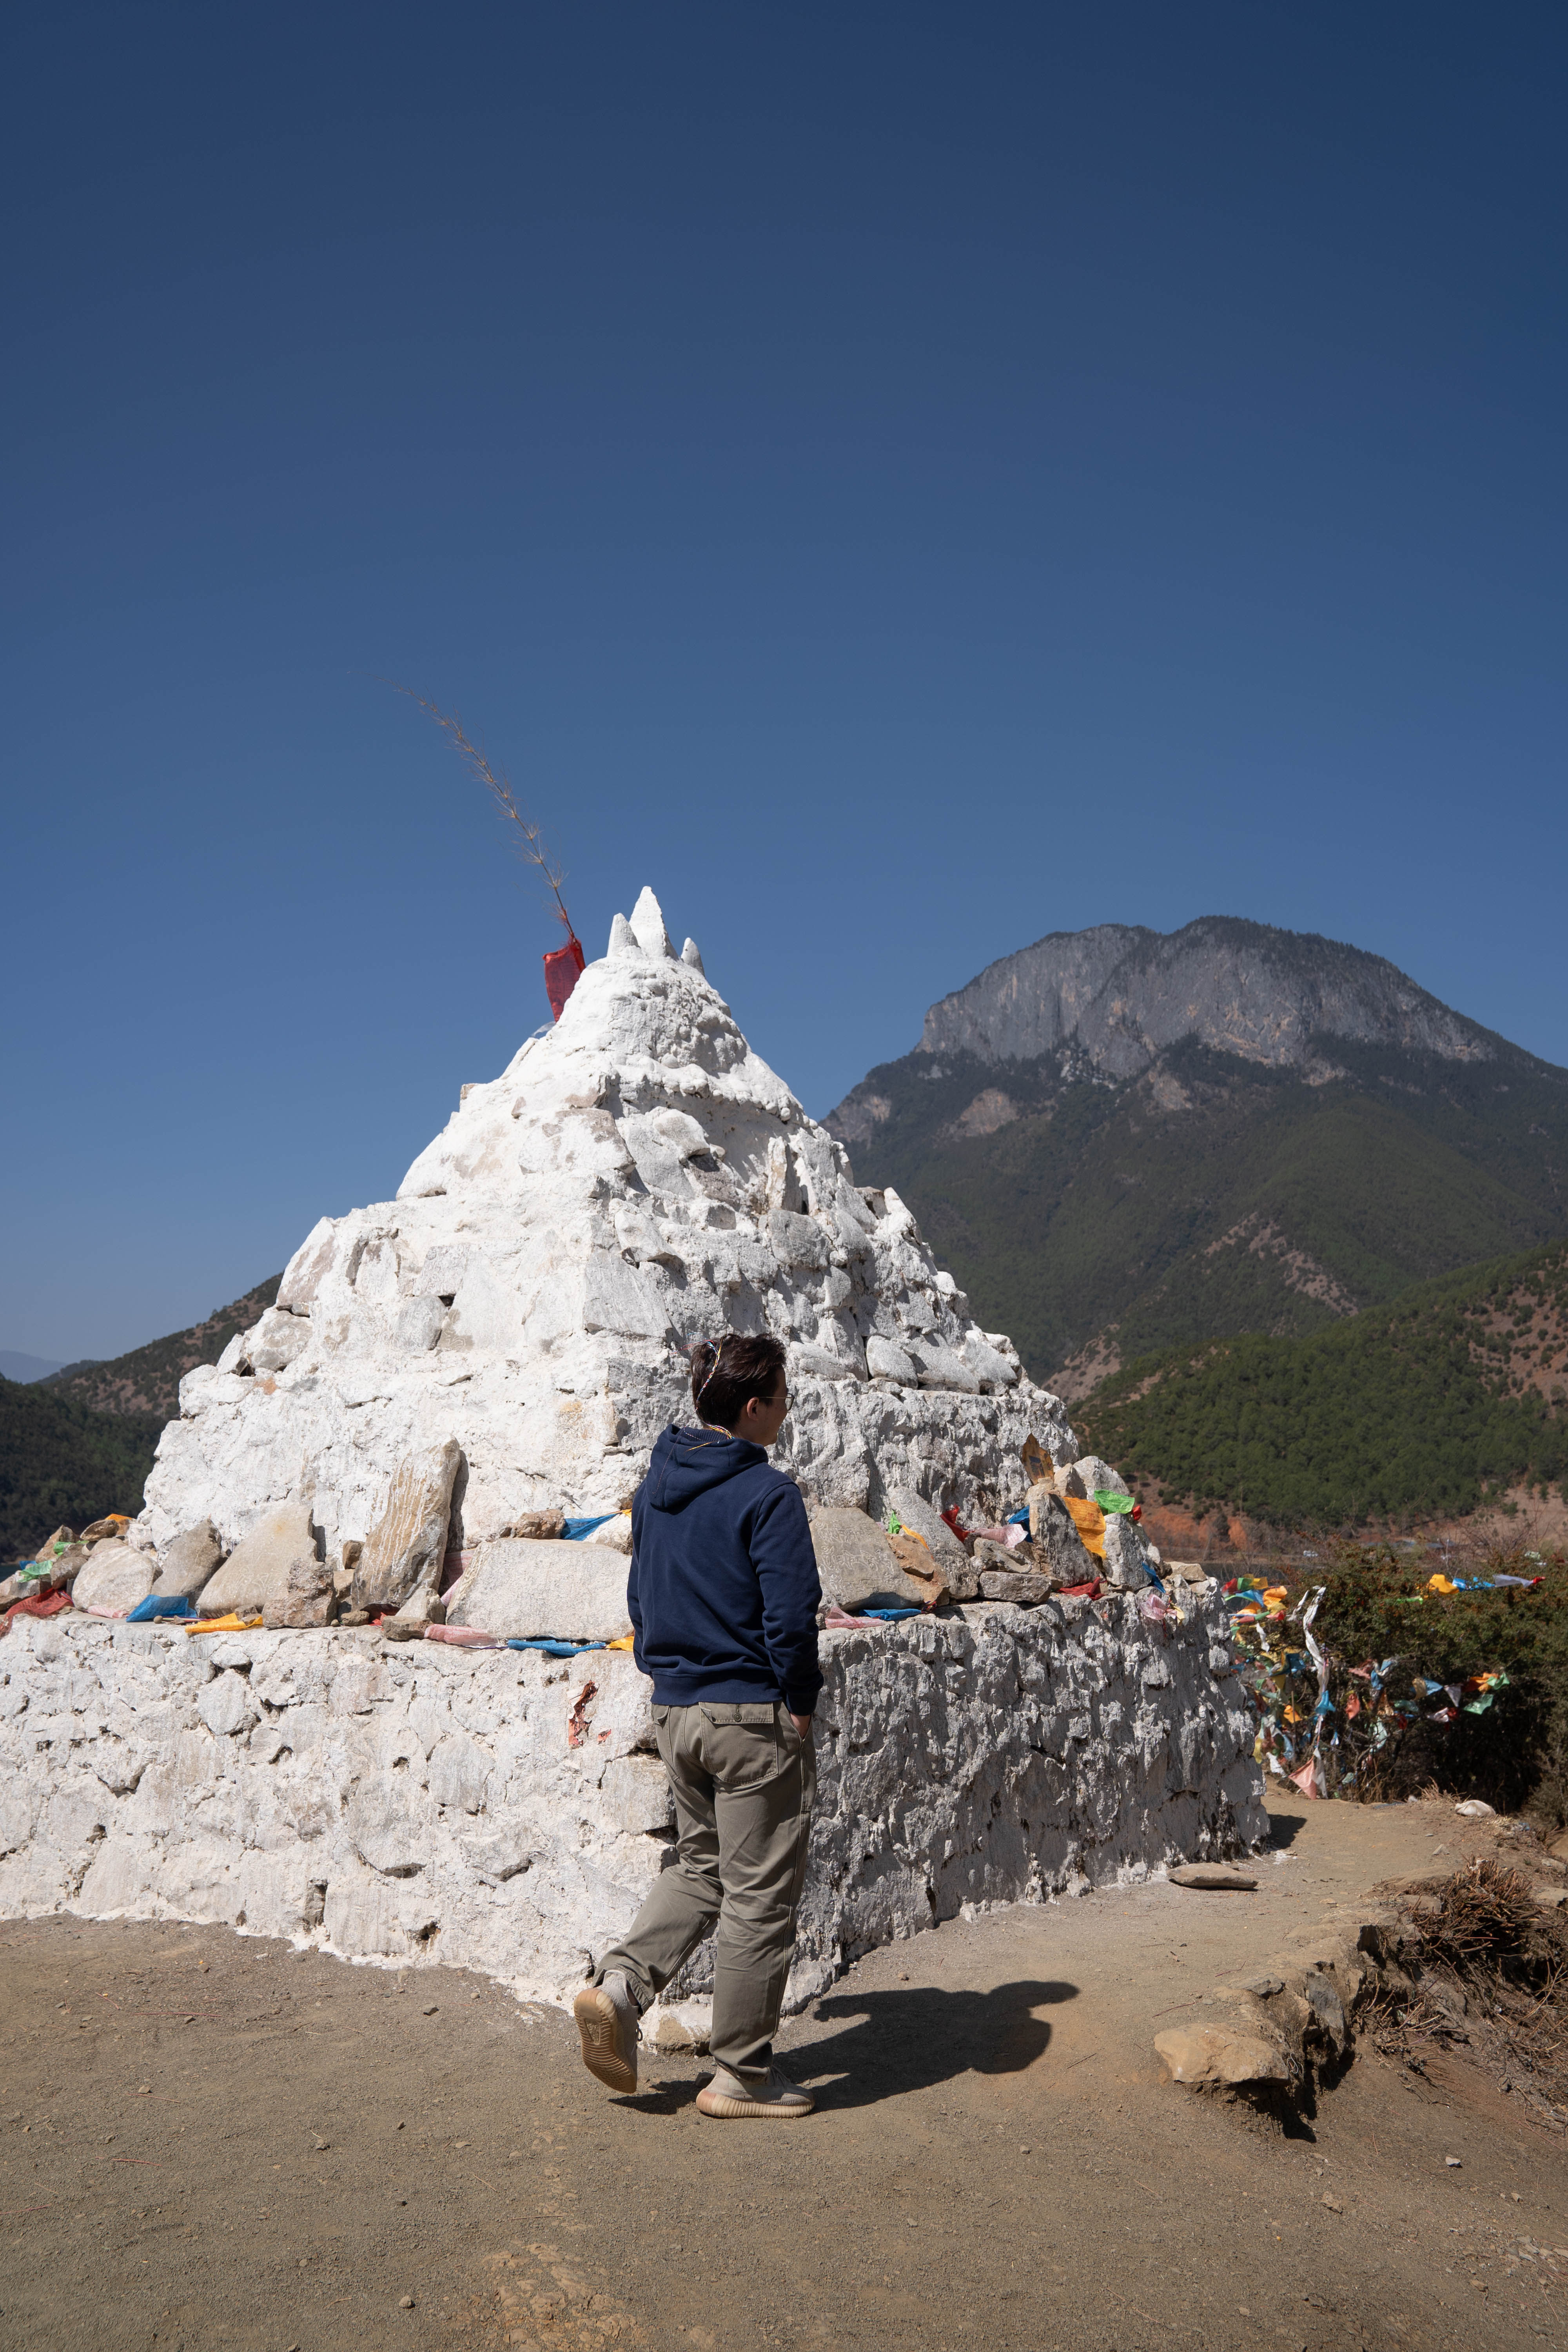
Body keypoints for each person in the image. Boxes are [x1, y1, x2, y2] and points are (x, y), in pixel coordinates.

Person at [573, 1332, 822, 2119]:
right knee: (756, 1896)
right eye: (781, 1399)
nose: (785, 1411)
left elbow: (641, 1599)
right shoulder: (767, 1495)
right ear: (752, 1408)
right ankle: (742, 2075)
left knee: (697, 1869)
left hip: (676, 1708)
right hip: (750, 1714)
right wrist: (801, 1698)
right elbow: (789, 1618)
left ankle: (619, 1986)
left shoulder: (654, 1488)